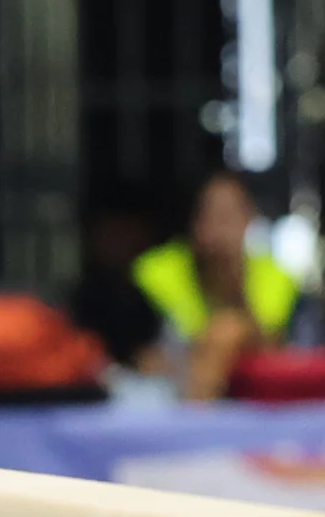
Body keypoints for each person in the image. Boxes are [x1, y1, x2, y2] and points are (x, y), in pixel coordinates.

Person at [132, 170, 301, 401]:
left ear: (250, 219)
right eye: (210, 215)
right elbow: (141, 357)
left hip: (251, 397)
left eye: (229, 216)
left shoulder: (278, 276)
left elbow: (275, 350)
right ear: (194, 223)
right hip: (170, 394)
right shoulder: (155, 272)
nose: (220, 228)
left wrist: (233, 278)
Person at [67, 184, 166, 374]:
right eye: (112, 233)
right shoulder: (81, 300)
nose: (119, 242)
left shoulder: (156, 292)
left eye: (126, 232)